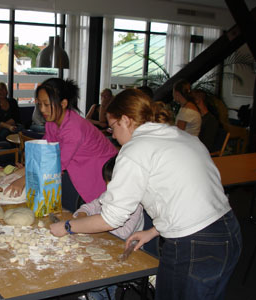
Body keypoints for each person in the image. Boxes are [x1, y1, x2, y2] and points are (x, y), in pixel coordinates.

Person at [50, 89, 241, 300]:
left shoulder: (135, 150)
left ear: (125, 120)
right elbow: (186, 196)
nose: (112, 134)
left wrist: (68, 226)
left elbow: (111, 218)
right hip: (227, 231)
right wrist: (153, 231)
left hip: (195, 242)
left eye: (112, 127)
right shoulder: (179, 136)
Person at [5, 78, 117, 205]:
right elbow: (46, 151)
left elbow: (58, 164)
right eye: (39, 104)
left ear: (63, 103)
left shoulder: (74, 128)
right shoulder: (52, 123)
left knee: (98, 209)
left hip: (101, 172)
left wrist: (24, 179)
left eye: (46, 104)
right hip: (82, 168)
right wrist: (26, 169)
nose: (42, 109)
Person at [73, 155, 144, 300]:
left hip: (128, 252)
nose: (110, 188)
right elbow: (91, 206)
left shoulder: (136, 206)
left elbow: (122, 233)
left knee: (100, 273)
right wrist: (82, 213)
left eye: (113, 183)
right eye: (108, 183)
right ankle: (93, 293)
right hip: (106, 244)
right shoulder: (109, 195)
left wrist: (95, 224)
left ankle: (102, 295)